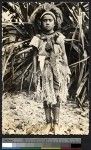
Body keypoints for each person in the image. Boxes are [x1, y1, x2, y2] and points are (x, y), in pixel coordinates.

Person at [29, 3, 71, 134]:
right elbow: (34, 57)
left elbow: (64, 54)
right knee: (46, 94)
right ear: (41, 23)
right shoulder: (37, 39)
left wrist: (66, 69)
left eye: (50, 20)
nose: (47, 23)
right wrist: (35, 73)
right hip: (43, 69)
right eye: (44, 20)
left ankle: (56, 123)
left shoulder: (60, 37)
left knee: (57, 94)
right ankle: (48, 123)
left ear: (55, 22)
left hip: (57, 69)